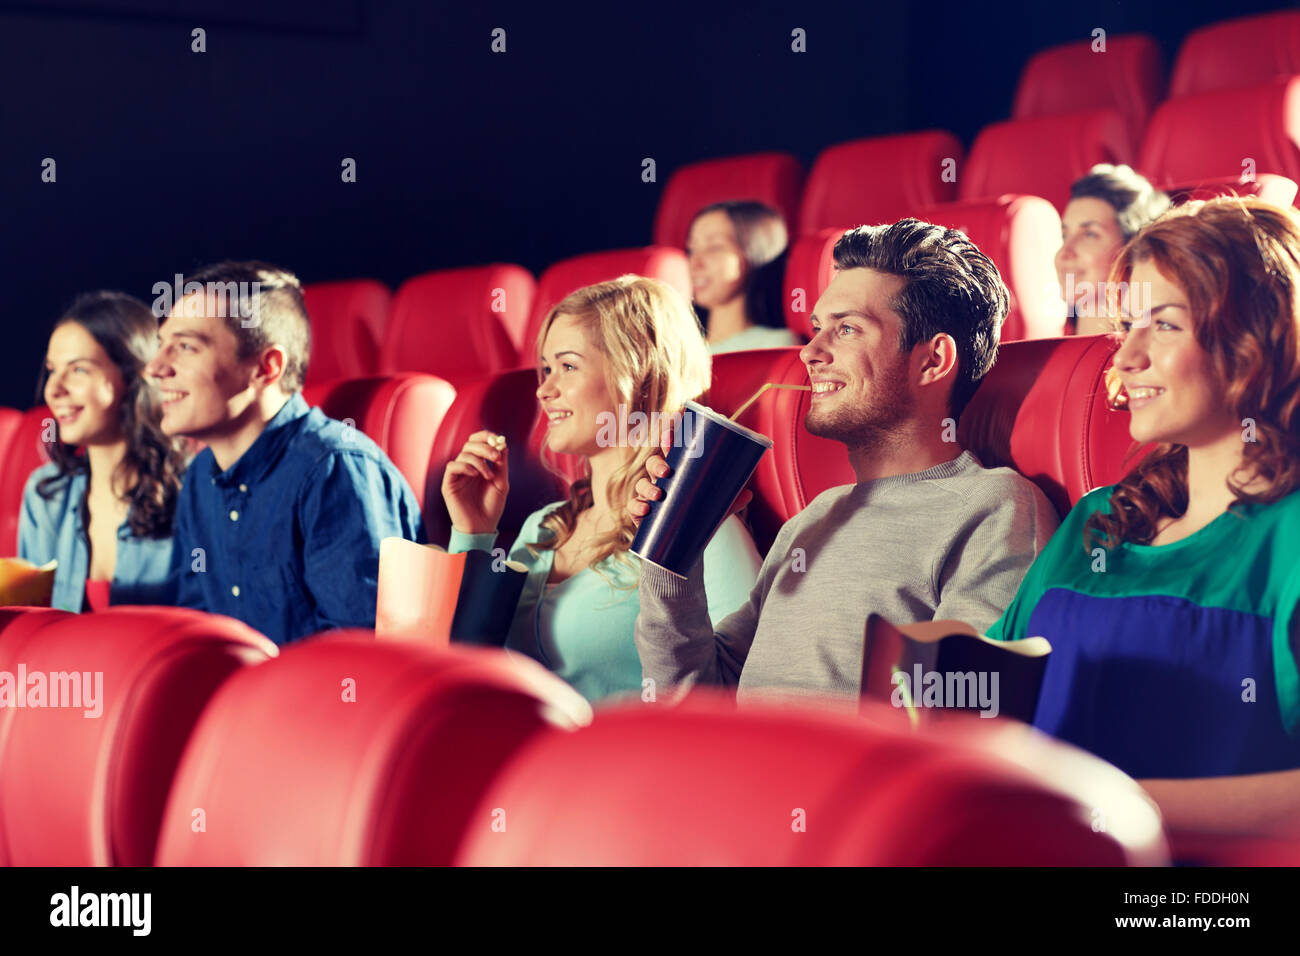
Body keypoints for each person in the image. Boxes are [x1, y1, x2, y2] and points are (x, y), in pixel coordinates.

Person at [630, 220, 1060, 705]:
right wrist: (671, 559)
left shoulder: (996, 507)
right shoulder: (813, 520)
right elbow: (692, 705)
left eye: (847, 329)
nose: (811, 352)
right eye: (817, 328)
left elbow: (951, 721)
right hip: (730, 772)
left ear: (933, 360)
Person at [989, 197, 1300, 837]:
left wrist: (1107, 813)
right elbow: (994, 690)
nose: (1125, 358)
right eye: (1127, 325)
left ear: (1255, 339)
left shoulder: (1288, 535)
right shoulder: (1097, 522)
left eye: (1163, 325)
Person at [443, 275, 762, 703]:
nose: (544, 390)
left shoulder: (704, 533)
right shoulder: (543, 526)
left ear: (637, 373)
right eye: (546, 368)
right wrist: (474, 533)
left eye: (568, 366)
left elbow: (742, 696)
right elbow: (463, 662)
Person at [146, 260, 423, 645]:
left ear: (267, 367)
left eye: (187, 347)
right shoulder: (199, 477)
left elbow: (361, 661)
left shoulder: (334, 471)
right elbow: (198, 631)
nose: (155, 367)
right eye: (162, 346)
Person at [20, 291, 189, 611]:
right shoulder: (45, 495)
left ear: (136, 375)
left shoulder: (192, 491)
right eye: (53, 370)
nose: (54, 390)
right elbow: (32, 629)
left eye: (79, 369)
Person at [1057, 164, 1170, 336]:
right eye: (1065, 235)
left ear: (1132, 249)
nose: (1064, 253)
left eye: (1089, 234)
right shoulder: (1047, 350)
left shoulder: (1149, 356)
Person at [686, 200, 800, 353]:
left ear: (753, 252)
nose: (695, 263)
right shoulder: (681, 348)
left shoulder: (774, 344)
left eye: (714, 248)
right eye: (692, 249)